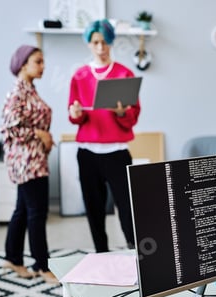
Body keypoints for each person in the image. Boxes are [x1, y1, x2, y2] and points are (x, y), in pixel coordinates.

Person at [68, 19, 141, 252]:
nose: (100, 47)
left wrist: (122, 112)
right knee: (94, 208)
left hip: (117, 153)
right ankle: (101, 253)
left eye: (105, 42)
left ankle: (135, 252)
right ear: (89, 44)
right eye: (95, 42)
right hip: (87, 153)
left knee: (127, 207)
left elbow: (133, 115)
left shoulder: (124, 73)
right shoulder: (79, 76)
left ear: (111, 43)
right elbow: (74, 116)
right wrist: (75, 113)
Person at [1, 45, 57, 283]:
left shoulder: (30, 90)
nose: (43, 66)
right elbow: (9, 128)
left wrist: (43, 137)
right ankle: (42, 266)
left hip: (34, 159)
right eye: (38, 61)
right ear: (23, 64)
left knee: (23, 210)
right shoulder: (18, 92)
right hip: (27, 162)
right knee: (37, 212)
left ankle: (13, 258)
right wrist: (39, 135)